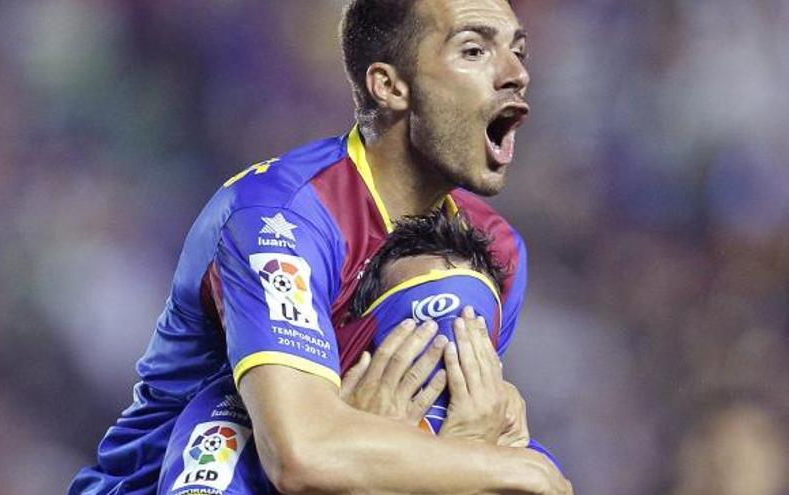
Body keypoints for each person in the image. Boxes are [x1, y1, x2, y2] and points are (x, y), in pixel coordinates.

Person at [71, 0, 572, 493]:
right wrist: (515, 469)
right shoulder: (280, 216)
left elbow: (449, 427)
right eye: (474, 51)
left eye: (518, 51)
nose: (516, 73)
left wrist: (468, 444)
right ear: (390, 86)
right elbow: (302, 457)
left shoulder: (495, 250)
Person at [156, 211, 564, 495]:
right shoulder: (238, 421)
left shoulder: (519, 460)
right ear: (351, 341)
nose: (436, 374)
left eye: (464, 354)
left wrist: (456, 457)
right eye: (410, 341)